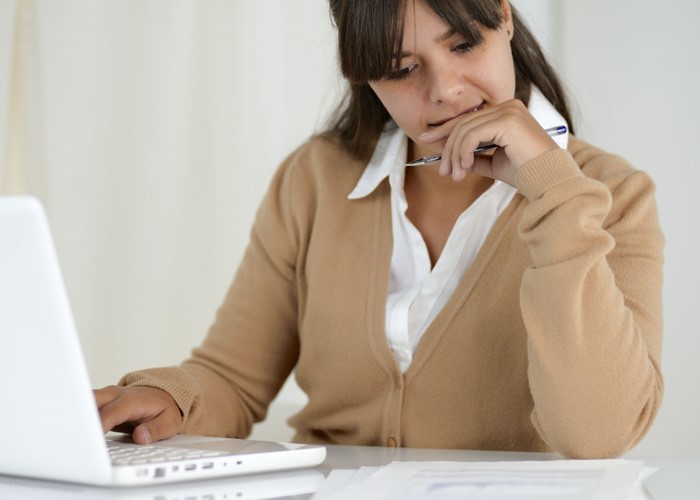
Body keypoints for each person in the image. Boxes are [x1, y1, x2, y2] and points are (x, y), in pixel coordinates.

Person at [95, 0, 664, 459]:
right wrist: (170, 395)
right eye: (401, 68)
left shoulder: (611, 195)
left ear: (505, 15)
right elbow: (233, 379)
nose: (444, 89)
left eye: (463, 44)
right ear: (366, 75)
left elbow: (598, 436)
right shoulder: (314, 179)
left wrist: (555, 191)